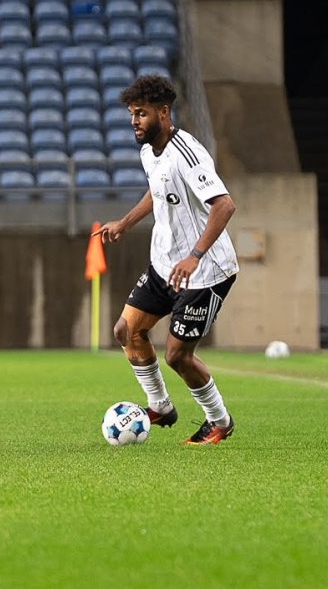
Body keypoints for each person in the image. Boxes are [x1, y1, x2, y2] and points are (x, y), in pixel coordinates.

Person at [99, 75, 241, 446]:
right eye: (132, 114)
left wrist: (195, 256)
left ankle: (219, 421)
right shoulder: (149, 150)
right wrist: (126, 223)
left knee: (178, 355)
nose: (135, 122)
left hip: (205, 273)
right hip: (165, 266)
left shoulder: (188, 153)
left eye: (141, 114)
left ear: (164, 112)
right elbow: (157, 190)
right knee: (125, 332)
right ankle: (160, 406)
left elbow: (224, 205)